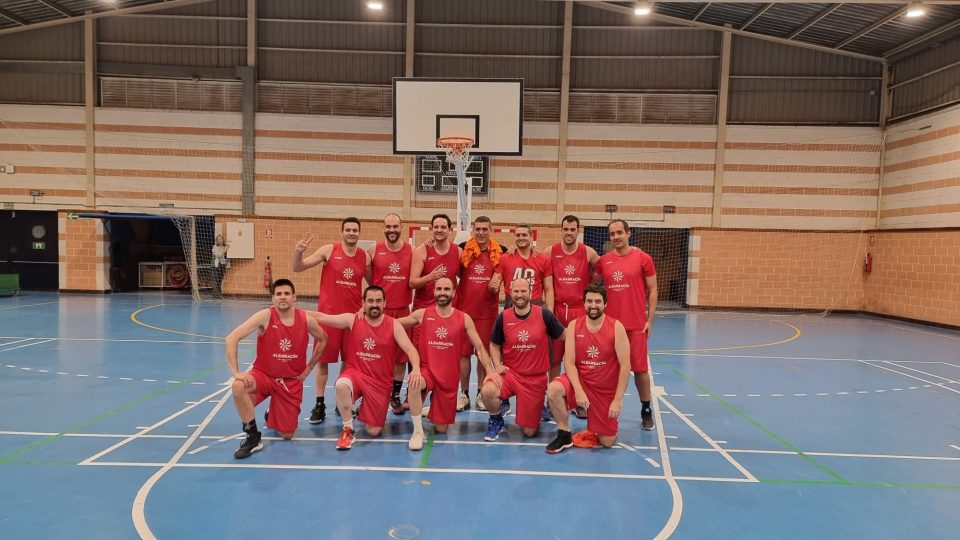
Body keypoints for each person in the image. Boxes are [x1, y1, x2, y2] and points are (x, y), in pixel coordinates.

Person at [309, 286, 424, 451]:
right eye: (370, 301)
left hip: (380, 383)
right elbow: (322, 317)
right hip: (356, 373)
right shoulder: (353, 319)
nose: (374, 304)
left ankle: (366, 405)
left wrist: (416, 369)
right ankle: (348, 430)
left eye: (378, 301)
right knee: (341, 385)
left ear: (384, 303)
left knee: (373, 431)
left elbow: (411, 350)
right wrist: (294, 312)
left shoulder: (393, 325)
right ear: (363, 303)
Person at [226, 278, 328, 459]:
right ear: (273, 298)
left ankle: (272, 411)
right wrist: (235, 372)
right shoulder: (265, 316)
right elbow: (231, 338)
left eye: (287, 293)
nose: (283, 297)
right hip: (263, 376)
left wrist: (310, 366)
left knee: (287, 435)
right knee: (238, 386)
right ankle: (252, 436)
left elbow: (324, 338)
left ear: (294, 297)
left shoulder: (306, 320)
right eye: (279, 294)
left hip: (290, 381)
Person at [293, 217, 371, 424]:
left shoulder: (365, 257)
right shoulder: (329, 250)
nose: (351, 233)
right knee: (323, 363)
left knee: (349, 362)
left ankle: (341, 401)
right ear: (342, 232)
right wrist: (298, 252)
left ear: (359, 233)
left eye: (355, 230)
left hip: (352, 320)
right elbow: (298, 268)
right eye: (348, 229)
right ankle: (319, 404)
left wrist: (367, 305)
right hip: (327, 318)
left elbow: (374, 285)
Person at [397, 277, 492, 437]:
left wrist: (490, 371)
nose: (442, 292)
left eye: (446, 289)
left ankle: (433, 408)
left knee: (441, 429)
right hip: (426, 372)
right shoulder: (422, 314)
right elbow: (393, 323)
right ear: (434, 292)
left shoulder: (464, 318)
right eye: (439, 289)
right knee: (414, 384)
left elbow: (481, 348)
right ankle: (418, 431)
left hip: (448, 378)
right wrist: (369, 315)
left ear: (453, 293)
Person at [544, 284, 630, 453]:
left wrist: (618, 400)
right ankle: (564, 433)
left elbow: (625, 366)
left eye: (598, 301)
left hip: (604, 390)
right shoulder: (574, 326)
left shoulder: (616, 327)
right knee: (553, 388)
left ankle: (602, 425)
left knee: (607, 442)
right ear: (584, 304)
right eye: (589, 301)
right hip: (581, 382)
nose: (593, 305)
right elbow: (569, 363)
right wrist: (579, 390)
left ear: (605, 304)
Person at [479, 278, 566, 441]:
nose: (519, 295)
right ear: (511, 293)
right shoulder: (503, 317)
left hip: (535, 379)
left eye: (523, 291)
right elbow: (494, 344)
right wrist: (497, 365)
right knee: (488, 390)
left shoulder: (544, 314)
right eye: (516, 291)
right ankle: (496, 419)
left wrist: (587, 332)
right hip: (511, 375)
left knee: (529, 432)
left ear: (531, 293)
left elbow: (564, 335)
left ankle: (536, 405)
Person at [598, 219, 658, 431]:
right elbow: (591, 282)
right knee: (609, 371)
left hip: (635, 326)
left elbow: (653, 290)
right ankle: (606, 408)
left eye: (619, 233)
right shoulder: (604, 261)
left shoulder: (643, 258)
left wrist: (649, 320)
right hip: (611, 327)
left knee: (640, 370)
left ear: (628, 233)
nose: (616, 237)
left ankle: (646, 409)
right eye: (612, 234)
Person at [493, 224, 555, 420]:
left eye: (524, 235)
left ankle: (540, 400)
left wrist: (549, 314)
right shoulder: (506, 258)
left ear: (531, 237)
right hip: (512, 304)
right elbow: (494, 283)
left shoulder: (542, 259)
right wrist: (493, 286)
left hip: (535, 306)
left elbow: (549, 288)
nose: (521, 238)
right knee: (508, 353)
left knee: (538, 355)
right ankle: (504, 399)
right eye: (518, 235)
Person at [549, 215, 601, 417]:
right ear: (561, 230)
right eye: (565, 229)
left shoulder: (588, 252)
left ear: (578, 231)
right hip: (558, 311)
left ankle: (580, 400)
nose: (569, 233)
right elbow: (534, 260)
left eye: (572, 229)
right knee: (554, 359)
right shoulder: (551, 251)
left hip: (579, 311)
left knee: (579, 360)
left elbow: (606, 266)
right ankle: (552, 399)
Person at [453, 215, 503, 412]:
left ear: (491, 230)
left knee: (484, 357)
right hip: (464, 313)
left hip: (487, 314)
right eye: (478, 229)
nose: (481, 232)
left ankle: (482, 392)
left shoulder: (501, 253)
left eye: (485, 229)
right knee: (463, 356)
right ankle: (464, 394)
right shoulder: (462, 250)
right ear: (473, 230)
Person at [367, 213, 415, 415]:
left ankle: (394, 395)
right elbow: (370, 279)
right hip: (380, 313)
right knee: (375, 356)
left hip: (403, 310)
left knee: (400, 358)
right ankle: (372, 394)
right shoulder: (373, 250)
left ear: (401, 227)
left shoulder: (412, 251)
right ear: (383, 227)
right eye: (388, 226)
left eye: (395, 226)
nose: (392, 229)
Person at [409, 213, 461, 348]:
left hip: (448, 312)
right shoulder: (422, 250)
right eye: (436, 227)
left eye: (443, 227)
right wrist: (430, 277)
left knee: (444, 351)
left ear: (450, 230)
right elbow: (412, 282)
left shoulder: (458, 252)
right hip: (424, 311)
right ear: (431, 228)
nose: (439, 230)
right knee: (419, 350)